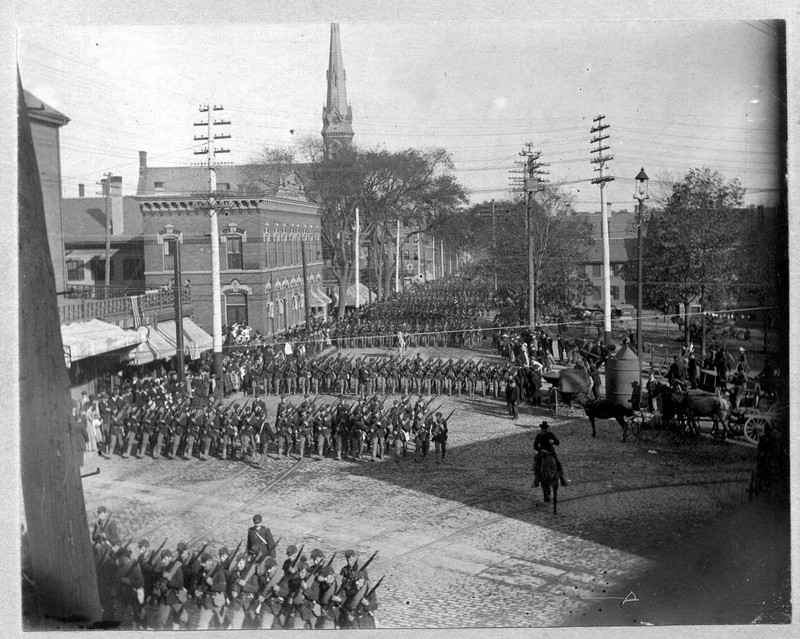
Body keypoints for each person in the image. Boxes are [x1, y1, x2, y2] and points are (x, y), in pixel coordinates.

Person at [532, 421, 568, 488]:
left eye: (545, 429)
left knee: (558, 463)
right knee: (537, 463)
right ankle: (536, 478)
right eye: (543, 429)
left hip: (551, 453)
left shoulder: (550, 435)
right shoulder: (539, 436)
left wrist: (553, 441)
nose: (544, 430)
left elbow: (557, 442)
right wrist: (541, 449)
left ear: (546, 429)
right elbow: (535, 446)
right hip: (542, 454)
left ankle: (561, 477)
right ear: (541, 429)